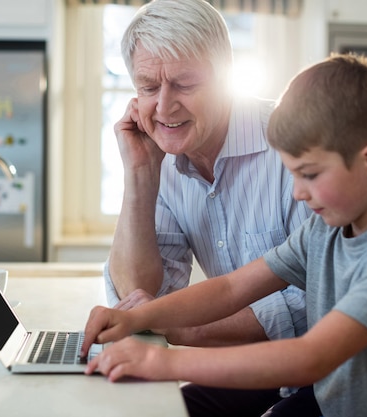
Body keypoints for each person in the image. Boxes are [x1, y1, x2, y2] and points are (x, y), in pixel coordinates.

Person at [81, 53, 367, 416]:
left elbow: (311, 357)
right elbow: (232, 289)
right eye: (292, 174)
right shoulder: (326, 229)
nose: (298, 193)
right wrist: (136, 316)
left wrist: (163, 362)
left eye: (310, 175)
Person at [104, 0, 318, 415]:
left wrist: (184, 328)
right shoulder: (161, 157)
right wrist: (139, 177)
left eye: (184, 84)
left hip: (329, 372)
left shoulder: (291, 145)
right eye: (148, 87)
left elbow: (313, 304)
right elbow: (141, 295)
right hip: (253, 367)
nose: (164, 107)